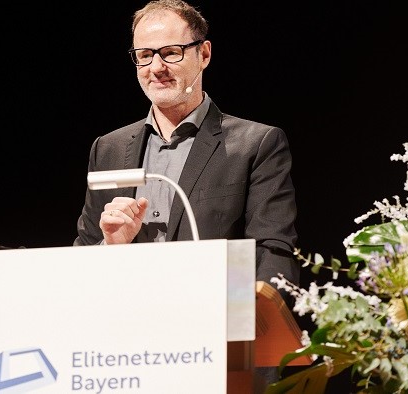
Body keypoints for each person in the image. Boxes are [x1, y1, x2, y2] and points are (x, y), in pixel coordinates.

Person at [73, 0, 299, 387]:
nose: (156, 67)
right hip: (124, 358)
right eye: (144, 55)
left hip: (218, 354)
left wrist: (247, 340)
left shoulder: (255, 144)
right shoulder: (107, 149)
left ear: (204, 53)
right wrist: (111, 247)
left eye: (171, 53)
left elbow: (274, 255)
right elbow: (81, 260)